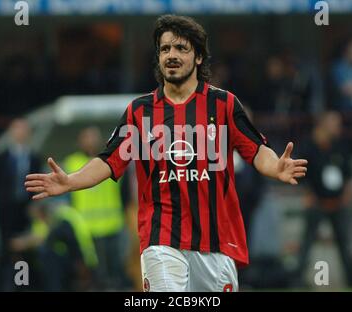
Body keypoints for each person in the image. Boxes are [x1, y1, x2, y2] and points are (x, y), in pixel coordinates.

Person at [25, 15, 308, 292]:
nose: (171, 55)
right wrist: (71, 181)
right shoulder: (139, 111)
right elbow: (109, 160)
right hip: (161, 238)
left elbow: (256, 150)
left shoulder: (224, 104)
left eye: (181, 48)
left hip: (216, 242)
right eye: (165, 49)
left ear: (198, 57)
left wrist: (276, 167)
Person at [292, 111, 352, 287]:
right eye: (335, 124)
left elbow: (349, 174)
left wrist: (347, 194)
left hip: (338, 203)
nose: (339, 128)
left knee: (344, 242)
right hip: (316, 203)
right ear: (324, 124)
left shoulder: (340, 146)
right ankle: (297, 279)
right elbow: (300, 173)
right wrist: (307, 194)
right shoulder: (308, 146)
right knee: (307, 241)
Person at [63, 127, 129, 290]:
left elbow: (125, 192)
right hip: (86, 229)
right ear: (80, 141)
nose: (91, 142)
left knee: (115, 270)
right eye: (87, 138)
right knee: (95, 273)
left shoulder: (112, 161)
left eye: (94, 138)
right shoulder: (72, 162)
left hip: (113, 225)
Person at [0, 118, 41, 291]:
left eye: (23, 129)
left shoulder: (34, 158)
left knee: (24, 253)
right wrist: (4, 201)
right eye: (17, 129)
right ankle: (3, 286)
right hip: (6, 213)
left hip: (25, 212)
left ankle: (22, 286)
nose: (20, 133)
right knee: (4, 252)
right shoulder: (1, 157)